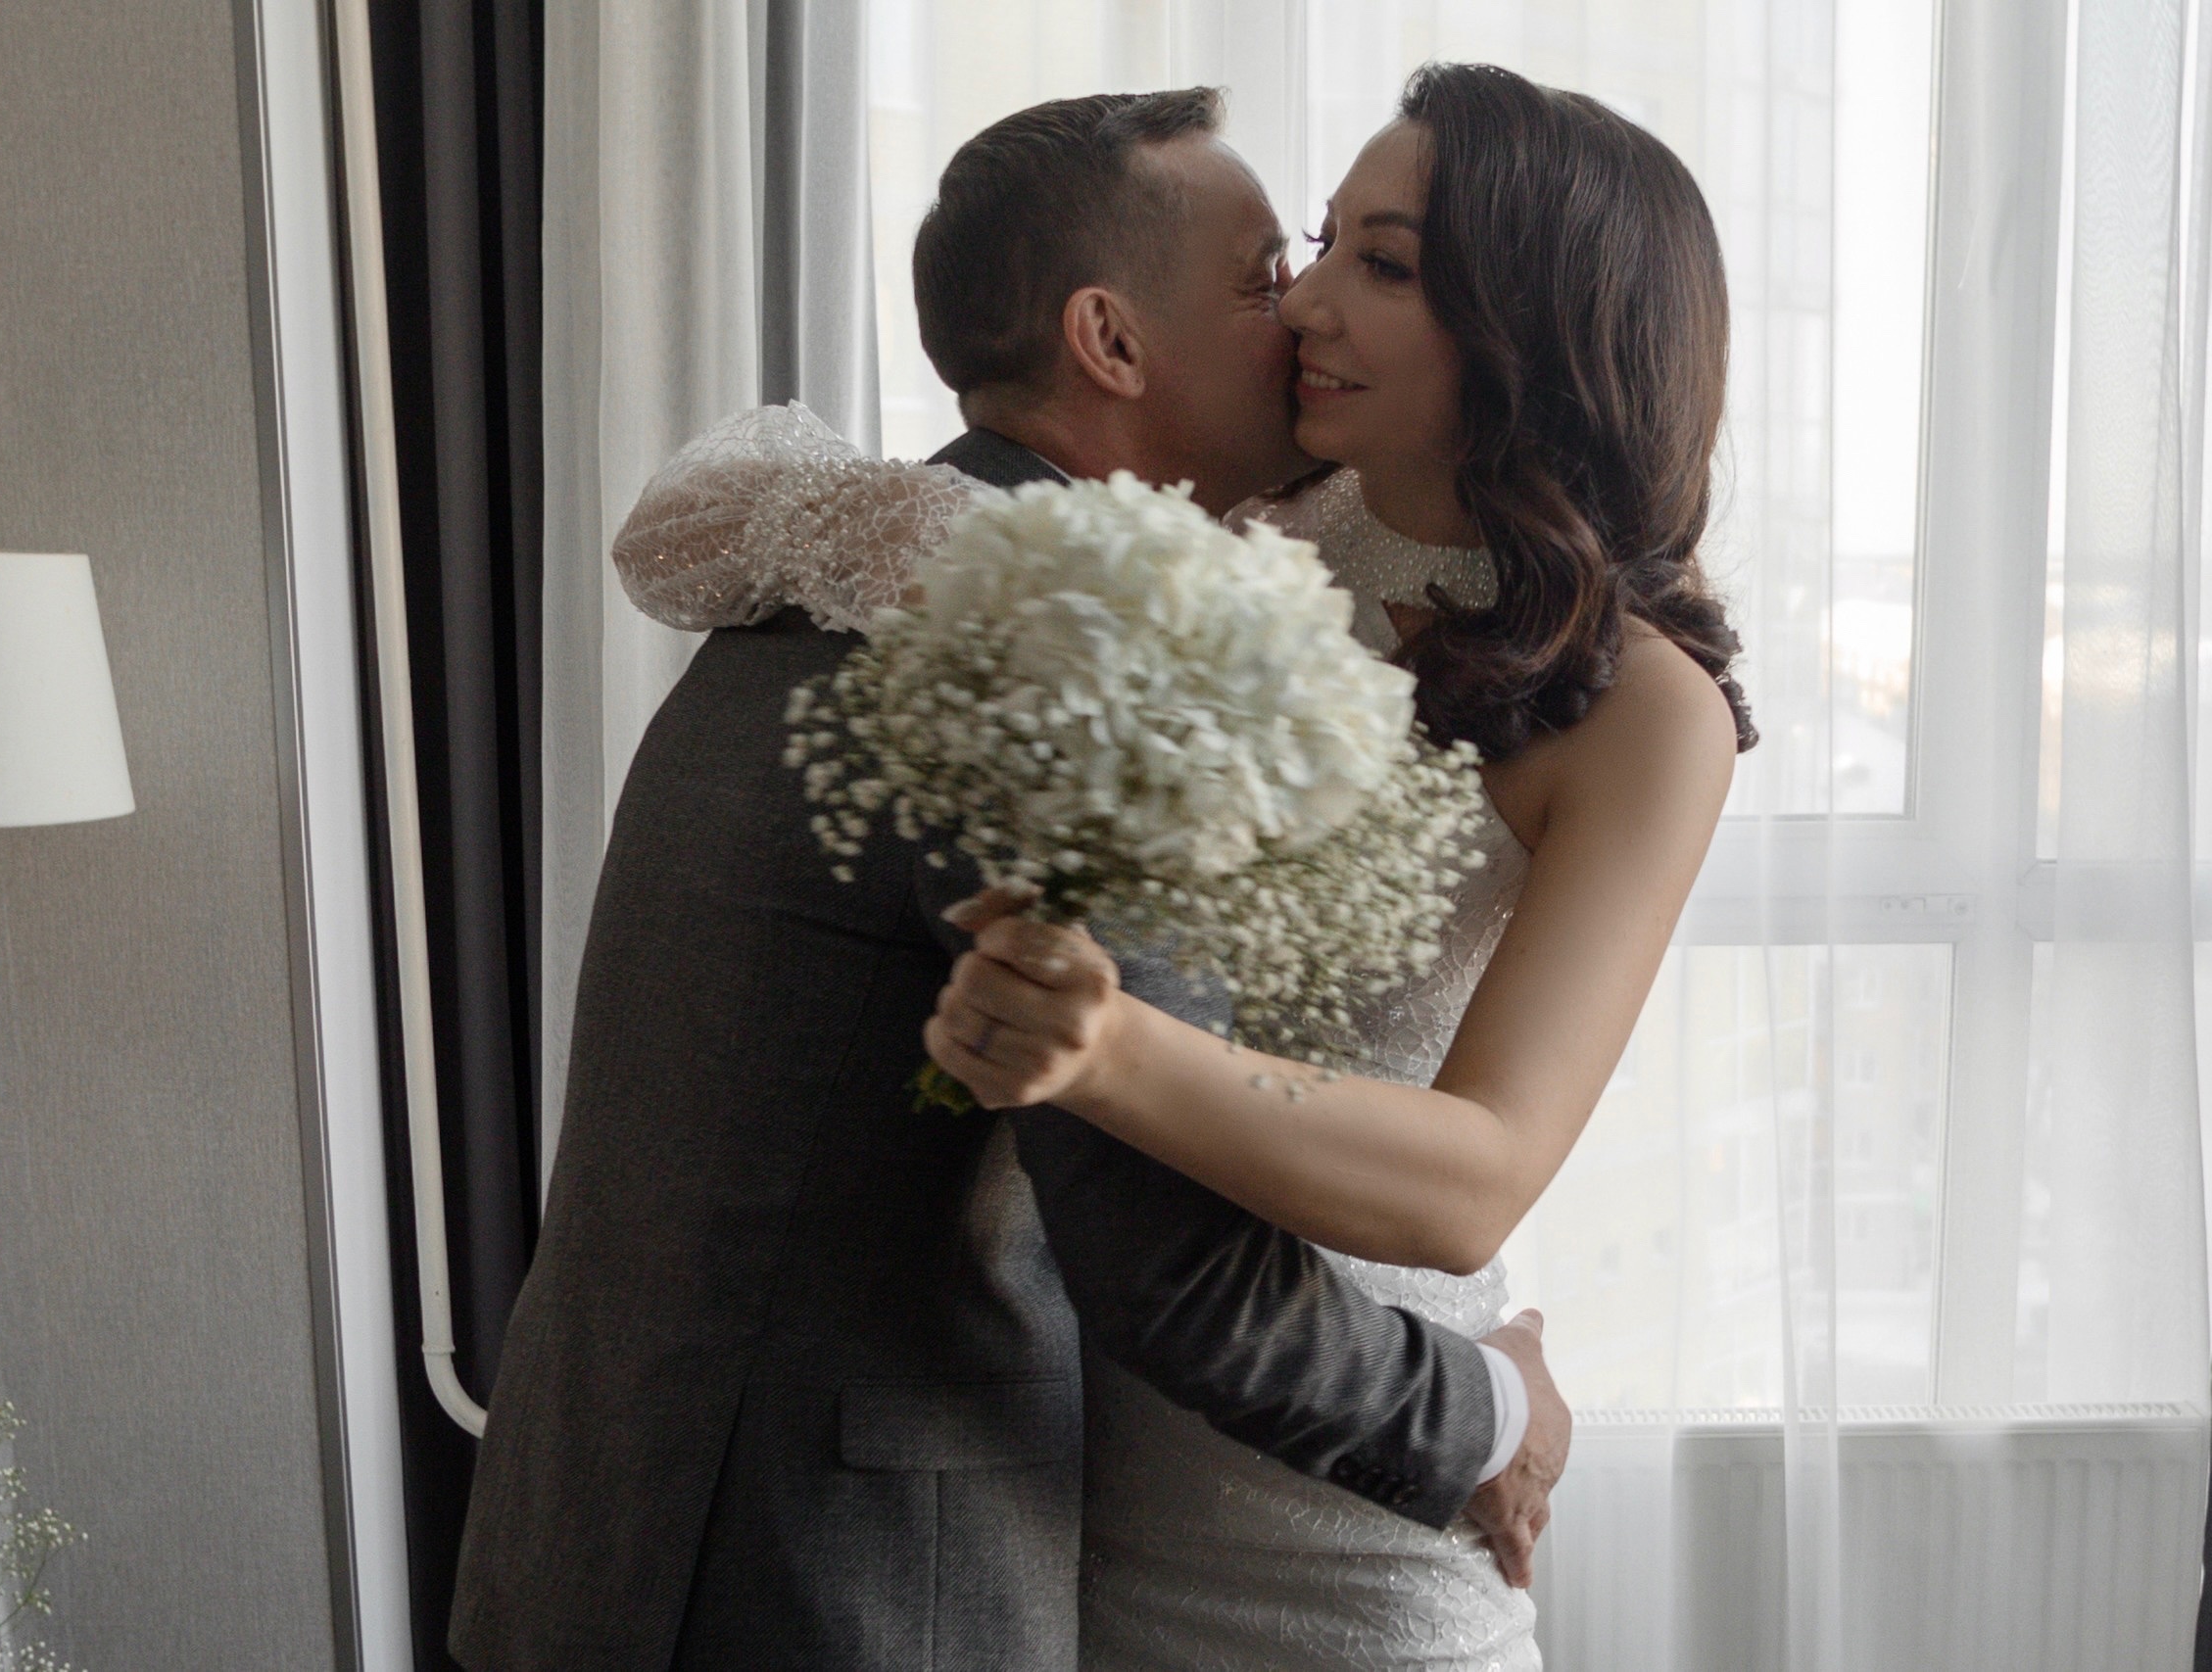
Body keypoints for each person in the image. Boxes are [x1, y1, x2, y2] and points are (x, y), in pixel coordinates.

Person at [620, 63, 1751, 1670]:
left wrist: (1111, 1053)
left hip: (1348, 1506)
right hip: (1082, 1514)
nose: (1307, 307)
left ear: (1535, 323)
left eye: (1380, 263)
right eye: (1311, 251)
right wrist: (997, 546)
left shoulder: (1648, 711)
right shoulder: (1242, 534)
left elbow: (1478, 1174)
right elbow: (694, 518)